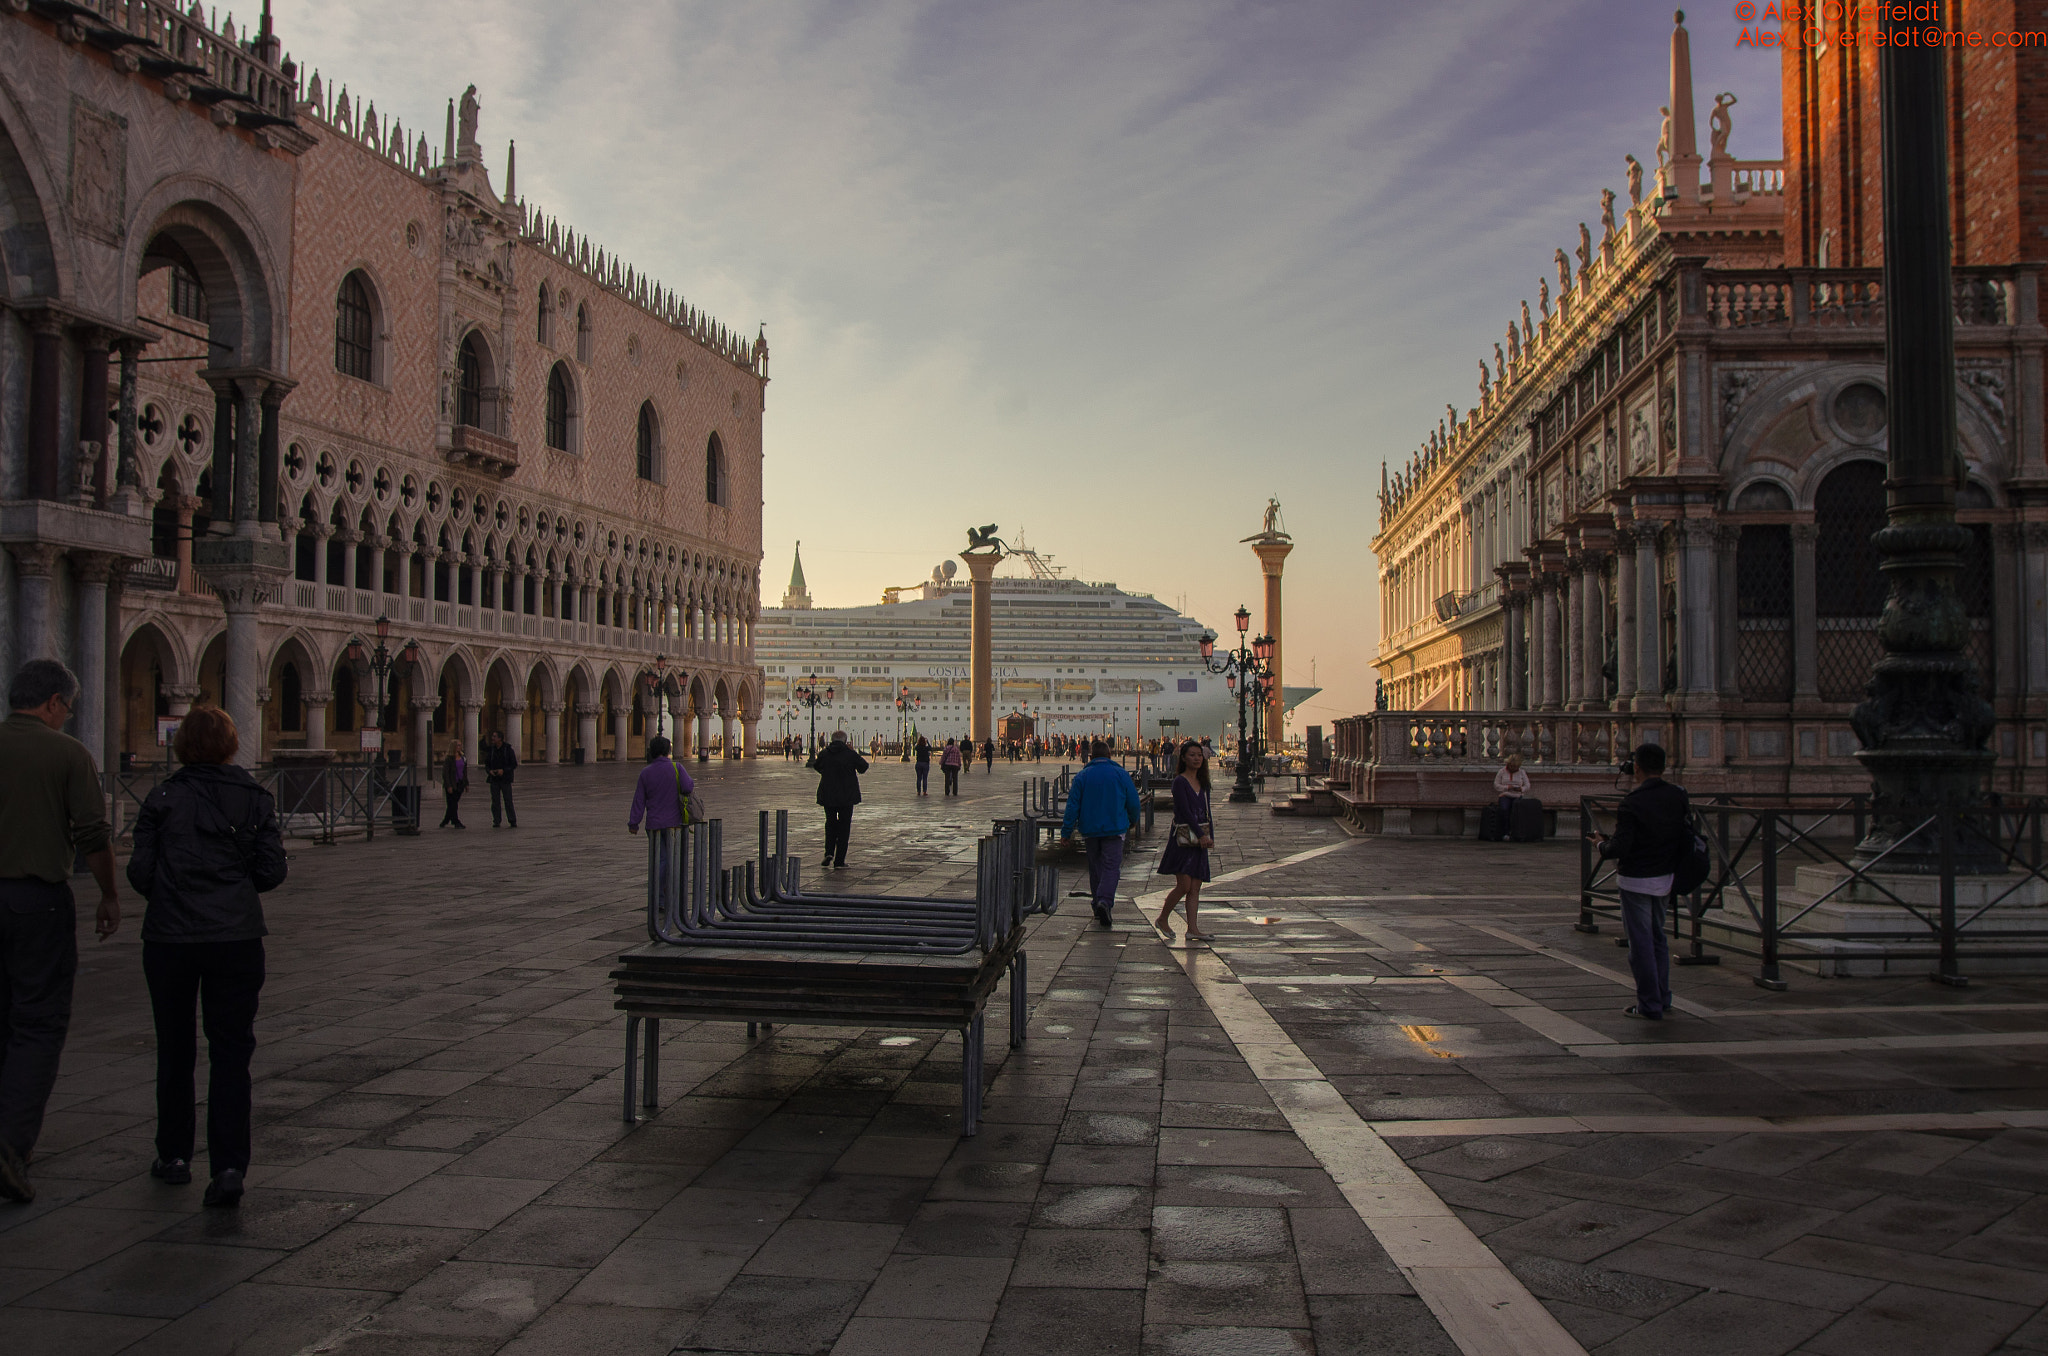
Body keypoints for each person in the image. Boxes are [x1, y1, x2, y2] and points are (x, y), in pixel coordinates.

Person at [126, 704, 287, 1209]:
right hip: (236, 940)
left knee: (174, 1046)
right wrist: (233, 891)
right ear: (231, 744)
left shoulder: (161, 797)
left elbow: (139, 873)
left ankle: (174, 1155)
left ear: (182, 746)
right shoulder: (255, 799)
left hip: (171, 940)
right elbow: (271, 871)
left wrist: (174, 895)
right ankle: (230, 1167)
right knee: (232, 1052)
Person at [0, 660, 119, 1203]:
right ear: (52, 702)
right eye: (66, 707)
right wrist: (109, 894)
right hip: (35, 903)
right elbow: (92, 834)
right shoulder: (68, 754)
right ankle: (10, 1147)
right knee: (38, 1024)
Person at [1588, 743, 1690, 1021]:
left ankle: (1649, 1004)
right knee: (1658, 938)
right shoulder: (1678, 796)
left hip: (1635, 881)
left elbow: (1620, 848)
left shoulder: (1632, 803)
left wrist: (1600, 845)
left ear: (1637, 768)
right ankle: (1662, 997)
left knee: (1640, 944)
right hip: (1665, 878)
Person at [1061, 739, 1142, 928]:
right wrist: (1133, 820)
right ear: (1110, 755)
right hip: (1114, 829)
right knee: (1111, 867)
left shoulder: (1082, 776)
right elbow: (1133, 802)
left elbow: (1072, 806)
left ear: (1090, 756)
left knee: (1095, 868)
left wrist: (1066, 832)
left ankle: (1097, 903)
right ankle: (1104, 901)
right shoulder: (1121, 774)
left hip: (1090, 830)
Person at [1154, 742, 1216, 942]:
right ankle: (1163, 918)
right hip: (1183, 839)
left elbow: (1207, 811)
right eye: (1192, 755)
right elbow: (1185, 812)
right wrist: (1201, 834)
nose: (1197, 758)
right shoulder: (1179, 782)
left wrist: (1210, 835)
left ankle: (1193, 928)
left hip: (1199, 840)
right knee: (1184, 885)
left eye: (1199, 755)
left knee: (1196, 886)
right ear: (1183, 758)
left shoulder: (1203, 782)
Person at [813, 731, 869, 868]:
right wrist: (853, 753)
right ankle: (839, 861)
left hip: (828, 794)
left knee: (830, 823)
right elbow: (864, 767)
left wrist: (827, 774)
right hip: (846, 795)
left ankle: (829, 852)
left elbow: (816, 765)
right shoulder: (849, 754)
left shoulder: (825, 753)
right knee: (844, 827)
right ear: (845, 741)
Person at [627, 735, 694, 835]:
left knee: (657, 850)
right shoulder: (677, 768)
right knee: (671, 850)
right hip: (674, 822)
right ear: (668, 751)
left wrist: (634, 823)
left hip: (653, 824)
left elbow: (639, 800)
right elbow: (688, 787)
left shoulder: (645, 772)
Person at [483, 730, 518, 828]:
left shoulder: (508, 749)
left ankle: (512, 820)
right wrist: (489, 771)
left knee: (508, 800)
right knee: (495, 801)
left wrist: (504, 770)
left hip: (505, 779)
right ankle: (496, 820)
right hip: (494, 779)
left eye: (494, 736)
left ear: (500, 739)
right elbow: (487, 763)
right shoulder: (492, 750)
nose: (492, 738)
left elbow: (514, 764)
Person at [439, 742, 469, 828]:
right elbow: (445, 773)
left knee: (453, 803)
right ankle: (456, 821)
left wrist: (466, 784)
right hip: (452, 783)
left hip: (460, 783)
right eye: (458, 745)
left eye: (460, 745)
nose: (460, 747)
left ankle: (446, 820)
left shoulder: (463, 758)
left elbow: (465, 772)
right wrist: (448, 786)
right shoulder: (449, 759)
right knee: (453, 804)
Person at [1493, 754, 1530, 822]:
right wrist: (1507, 787)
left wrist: (1521, 789)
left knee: (1516, 810)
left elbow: (1527, 785)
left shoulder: (1522, 772)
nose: (1513, 768)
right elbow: (1496, 785)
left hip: (1517, 795)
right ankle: (1505, 830)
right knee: (1504, 809)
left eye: (1515, 767)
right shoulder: (1502, 771)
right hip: (1505, 795)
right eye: (1512, 766)